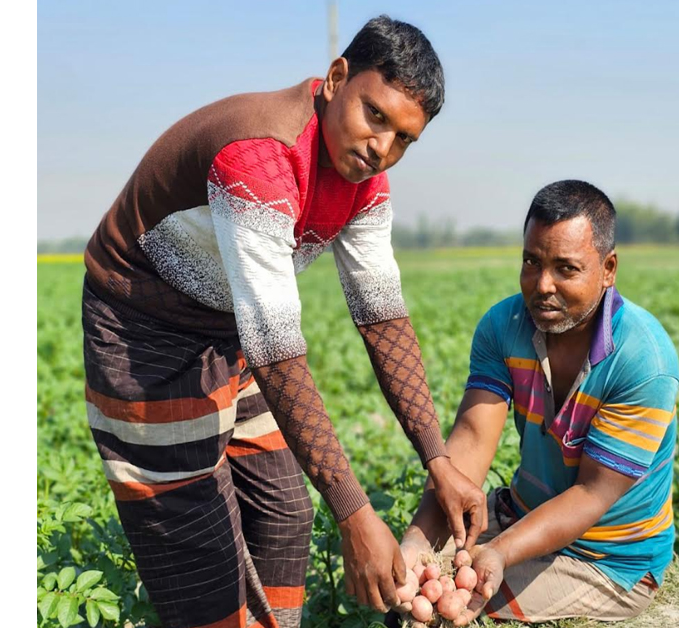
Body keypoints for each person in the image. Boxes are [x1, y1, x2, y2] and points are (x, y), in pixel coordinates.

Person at [80, 16, 486, 628]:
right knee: (201, 558)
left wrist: (439, 460)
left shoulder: (364, 181)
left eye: (404, 138)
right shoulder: (259, 159)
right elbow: (274, 349)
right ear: (336, 79)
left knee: (284, 512)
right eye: (375, 115)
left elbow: (383, 319)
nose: (383, 148)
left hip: (226, 328)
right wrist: (354, 513)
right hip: (145, 332)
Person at [398, 180, 679, 625]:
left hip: (607, 558)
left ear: (608, 269)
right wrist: (417, 540)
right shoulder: (504, 325)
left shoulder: (644, 358)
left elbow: (592, 494)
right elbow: (471, 441)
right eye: (532, 261)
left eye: (566, 269)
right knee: (409, 576)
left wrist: (500, 553)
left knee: (438, 607)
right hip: (521, 514)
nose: (542, 284)